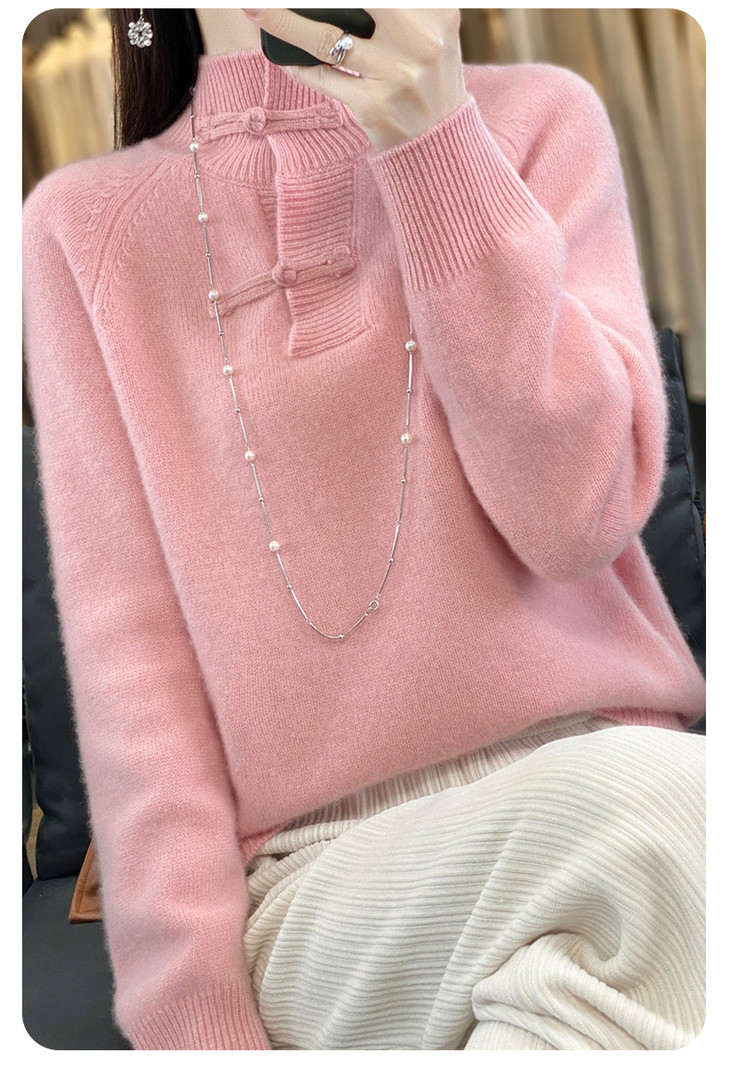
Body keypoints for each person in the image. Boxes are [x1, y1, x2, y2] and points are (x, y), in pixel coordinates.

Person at [22, 8, 706, 1051]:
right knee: (677, 821)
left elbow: (579, 519)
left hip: (617, 810)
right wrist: (199, 1040)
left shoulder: (540, 125)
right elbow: (134, 677)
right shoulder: (83, 231)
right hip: (333, 892)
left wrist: (435, 145)